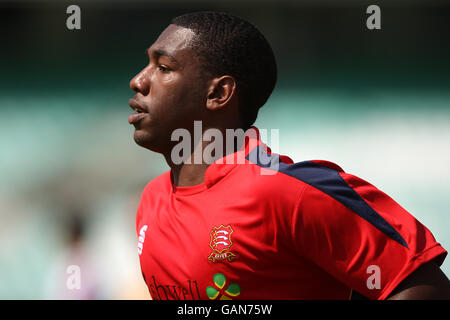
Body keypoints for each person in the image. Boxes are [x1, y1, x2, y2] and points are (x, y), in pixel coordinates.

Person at [128, 11, 449, 300]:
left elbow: (421, 284)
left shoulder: (286, 192)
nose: (138, 81)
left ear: (218, 94)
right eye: (147, 64)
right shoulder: (151, 200)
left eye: (164, 67)